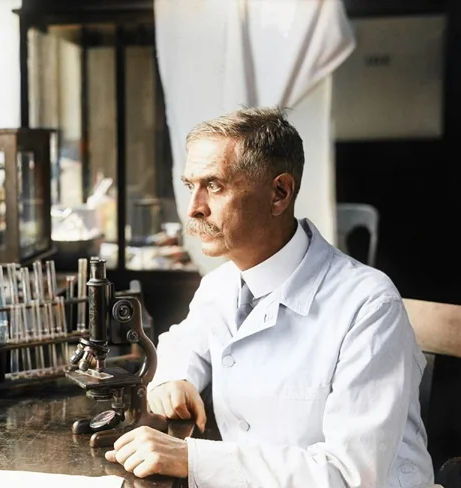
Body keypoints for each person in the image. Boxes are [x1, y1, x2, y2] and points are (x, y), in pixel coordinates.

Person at [104, 107, 435, 487]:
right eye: (189, 185)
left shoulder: (369, 305)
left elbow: (349, 475)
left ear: (279, 193)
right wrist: (172, 380)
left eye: (214, 186)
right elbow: (183, 342)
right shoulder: (222, 284)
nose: (194, 208)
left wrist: (191, 458)